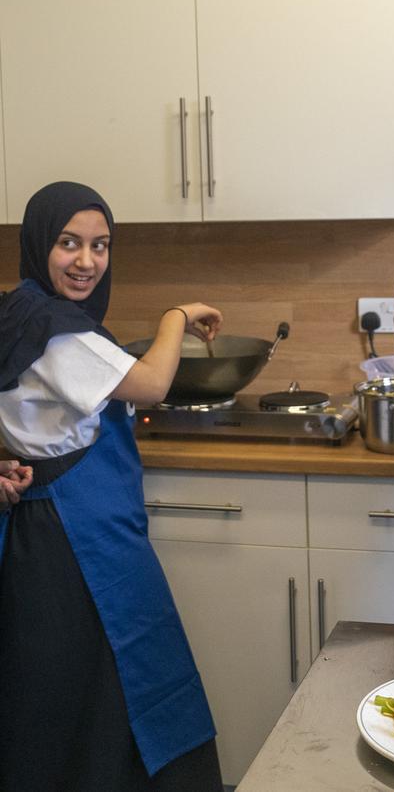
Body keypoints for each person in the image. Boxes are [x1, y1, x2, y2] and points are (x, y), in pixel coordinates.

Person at [0, 181, 226, 791]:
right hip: (74, 540)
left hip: (53, 530)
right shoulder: (55, 328)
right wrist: (174, 317)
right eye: (68, 243)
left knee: (76, 690)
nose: (86, 261)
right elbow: (151, 384)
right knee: (111, 683)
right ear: (39, 243)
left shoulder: (21, 309)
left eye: (100, 246)